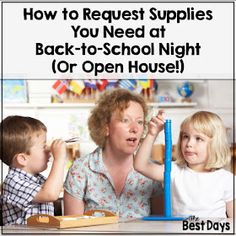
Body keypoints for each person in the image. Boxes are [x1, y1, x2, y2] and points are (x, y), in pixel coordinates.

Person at [64, 88, 163, 218]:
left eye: (140, 122)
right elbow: (72, 230)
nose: (134, 129)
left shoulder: (152, 172)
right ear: (106, 127)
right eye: (125, 120)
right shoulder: (80, 170)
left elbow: (161, 225)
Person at [134, 110, 234, 218]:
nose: (189, 144)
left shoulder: (226, 179)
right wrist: (152, 134)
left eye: (198, 139)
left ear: (215, 144)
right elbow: (140, 166)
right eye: (186, 136)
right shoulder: (173, 171)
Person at [0, 115, 66, 225]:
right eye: (43, 146)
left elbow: (54, 188)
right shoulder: (13, 181)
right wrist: (59, 159)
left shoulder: (36, 178)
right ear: (22, 159)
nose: (49, 150)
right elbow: (50, 194)